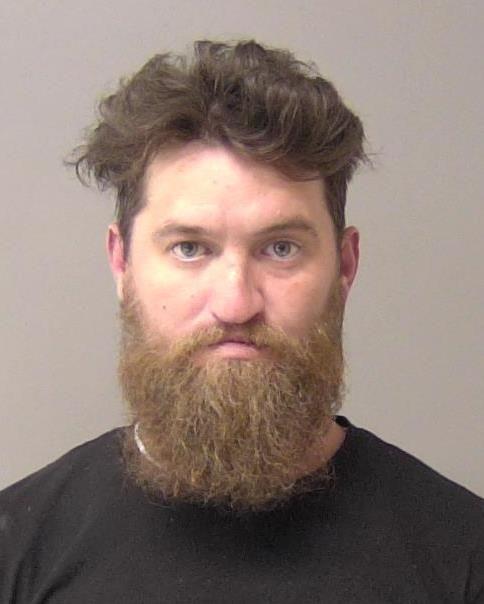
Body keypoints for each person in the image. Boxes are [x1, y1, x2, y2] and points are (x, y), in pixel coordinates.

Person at [0, 40, 482, 603]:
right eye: (189, 248)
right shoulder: (16, 553)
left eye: (281, 249)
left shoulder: (464, 556)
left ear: (345, 266)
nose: (235, 304)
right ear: (122, 264)